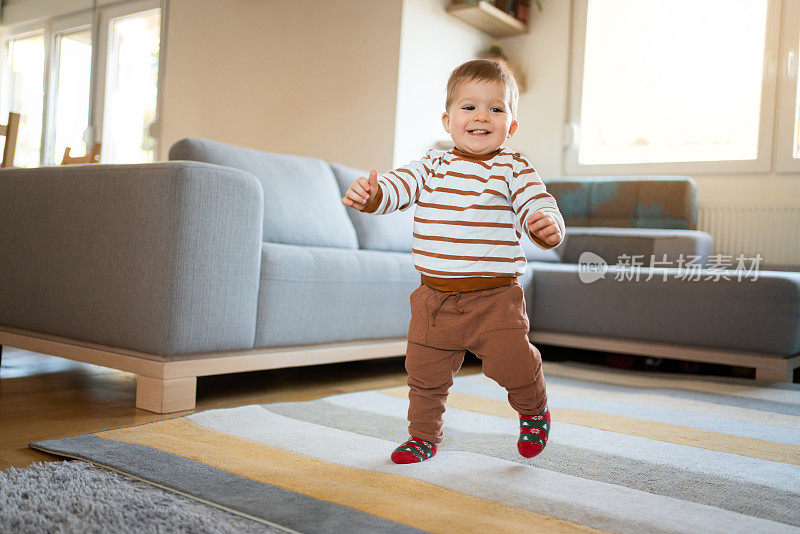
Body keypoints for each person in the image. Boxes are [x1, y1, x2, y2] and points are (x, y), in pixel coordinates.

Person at [341, 59, 564, 464]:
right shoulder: (431, 164)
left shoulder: (514, 167)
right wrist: (371, 195)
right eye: (469, 107)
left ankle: (534, 411)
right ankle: (423, 436)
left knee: (513, 365)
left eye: (496, 109)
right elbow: (396, 187)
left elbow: (538, 202)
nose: (482, 116)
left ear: (511, 126)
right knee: (425, 376)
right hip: (433, 300)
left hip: (495, 299)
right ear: (448, 120)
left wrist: (545, 225)